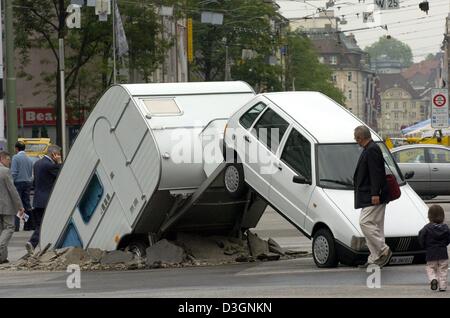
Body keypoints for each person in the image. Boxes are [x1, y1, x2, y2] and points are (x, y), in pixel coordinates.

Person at [353, 125, 392, 268]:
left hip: (373, 196)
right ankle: (374, 258)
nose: (355, 141)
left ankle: (383, 250)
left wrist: (375, 193)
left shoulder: (371, 150)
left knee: (365, 222)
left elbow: (376, 173)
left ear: (360, 137)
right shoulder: (370, 149)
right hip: (371, 195)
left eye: (356, 138)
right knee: (375, 225)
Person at [26, 145, 62, 255]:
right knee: (44, 224)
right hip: (47, 201)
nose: (59, 156)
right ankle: (32, 242)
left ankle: (37, 244)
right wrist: (59, 162)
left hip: (37, 199)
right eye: (59, 154)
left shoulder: (37, 163)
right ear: (54, 154)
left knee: (40, 224)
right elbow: (61, 174)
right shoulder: (49, 165)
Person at [418, 204, 450, 291]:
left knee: (430, 267)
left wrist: (424, 246)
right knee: (443, 269)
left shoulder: (427, 228)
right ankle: (442, 286)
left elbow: (421, 237)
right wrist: (444, 244)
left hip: (431, 252)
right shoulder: (446, 228)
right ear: (442, 216)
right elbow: (448, 239)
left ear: (429, 216)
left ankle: (433, 279)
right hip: (443, 252)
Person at [0, 151, 24, 264]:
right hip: (6, 206)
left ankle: (2, 258)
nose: (9, 161)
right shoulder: (5, 171)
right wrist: (19, 205)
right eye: (8, 159)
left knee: (1, 231)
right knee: (9, 227)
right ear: (2, 159)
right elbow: (12, 190)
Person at [11, 141, 33, 231]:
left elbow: (14, 172)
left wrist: (11, 183)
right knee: (26, 204)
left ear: (16, 148)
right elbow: (30, 173)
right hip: (27, 183)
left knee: (17, 205)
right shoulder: (29, 159)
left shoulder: (15, 158)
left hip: (18, 183)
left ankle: (16, 226)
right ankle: (28, 225)